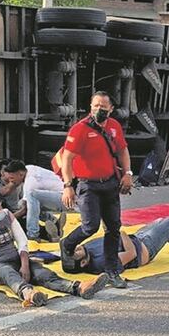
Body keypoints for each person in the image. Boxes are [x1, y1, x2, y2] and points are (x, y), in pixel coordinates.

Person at [0, 191, 105, 305]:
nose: (1, 210)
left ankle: (78, 287)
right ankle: (29, 294)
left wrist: (25, 265)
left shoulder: (7, 215)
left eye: (0, 206)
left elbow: (22, 241)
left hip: (16, 259)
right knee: (9, 274)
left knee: (42, 273)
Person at [57, 91, 133, 287]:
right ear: (90, 107)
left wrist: (128, 174)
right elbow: (67, 158)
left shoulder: (114, 127)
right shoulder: (79, 129)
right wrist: (68, 186)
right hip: (88, 184)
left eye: (103, 106)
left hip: (110, 183)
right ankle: (67, 243)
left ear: (111, 109)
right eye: (95, 106)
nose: (99, 109)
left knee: (114, 227)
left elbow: (123, 150)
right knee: (90, 226)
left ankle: (112, 271)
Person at [63, 216, 169, 276]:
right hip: (143, 248)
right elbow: (132, 253)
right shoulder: (101, 262)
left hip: (137, 238)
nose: (76, 247)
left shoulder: (86, 250)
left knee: (161, 221)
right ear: (83, 262)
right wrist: (119, 233)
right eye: (75, 252)